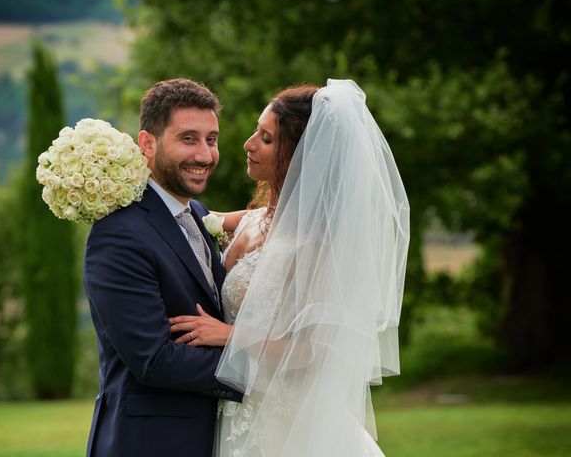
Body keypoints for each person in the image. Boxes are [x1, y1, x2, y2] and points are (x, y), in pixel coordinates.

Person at [170, 79, 410, 456]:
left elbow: (314, 354)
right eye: (256, 131)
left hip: (288, 425)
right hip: (236, 408)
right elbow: (186, 217)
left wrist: (231, 336)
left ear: (302, 156)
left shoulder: (315, 245)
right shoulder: (253, 220)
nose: (248, 144)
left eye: (265, 138)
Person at [83, 78, 243, 457]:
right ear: (147, 144)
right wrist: (265, 367)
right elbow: (154, 360)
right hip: (148, 443)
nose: (205, 155)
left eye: (212, 139)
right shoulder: (119, 234)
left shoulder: (200, 216)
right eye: (188, 139)